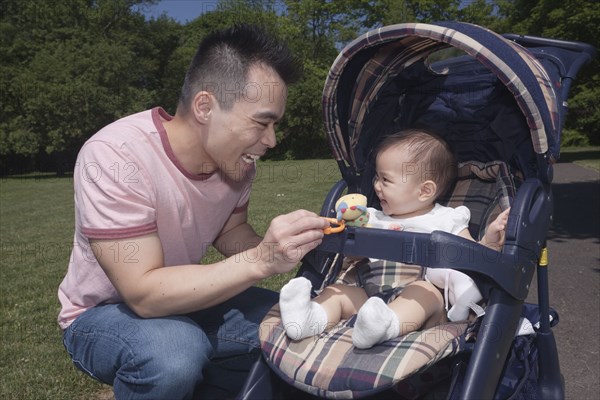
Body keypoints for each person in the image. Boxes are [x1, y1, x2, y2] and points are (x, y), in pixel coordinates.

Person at [58, 24, 329, 399]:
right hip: (102, 314)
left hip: (191, 300)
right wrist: (263, 259)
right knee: (173, 353)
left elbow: (230, 233)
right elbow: (143, 294)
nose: (271, 141)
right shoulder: (116, 155)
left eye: (275, 125)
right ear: (205, 107)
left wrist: (305, 246)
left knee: (302, 326)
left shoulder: (238, 165)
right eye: (262, 122)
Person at [279, 129, 510, 349]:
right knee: (337, 293)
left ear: (424, 191)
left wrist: (488, 243)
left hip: (418, 303)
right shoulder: (371, 216)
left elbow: (468, 257)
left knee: (424, 292)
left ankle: (386, 325)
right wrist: (351, 232)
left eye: (385, 180)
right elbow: (353, 256)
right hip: (368, 295)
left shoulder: (446, 219)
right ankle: (309, 319)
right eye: (376, 177)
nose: (376, 186)